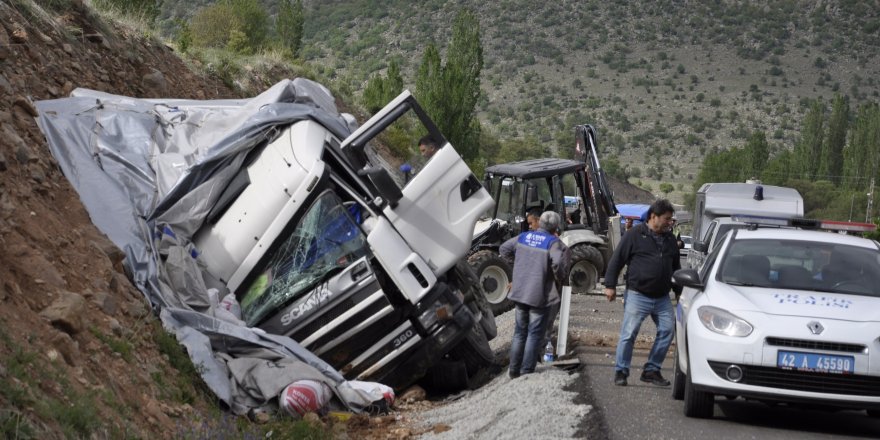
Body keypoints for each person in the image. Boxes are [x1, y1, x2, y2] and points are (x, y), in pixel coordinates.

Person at [603, 199, 682, 387]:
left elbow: (676, 268)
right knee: (629, 334)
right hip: (638, 295)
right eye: (667, 219)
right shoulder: (634, 235)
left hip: (662, 298)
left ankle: (651, 370)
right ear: (653, 217)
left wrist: (680, 293)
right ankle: (621, 371)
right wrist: (610, 285)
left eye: (671, 219)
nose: (670, 222)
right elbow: (617, 260)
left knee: (667, 330)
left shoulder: (670, 239)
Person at [500, 211, 571, 378]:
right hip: (538, 294)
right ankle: (526, 371)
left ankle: (514, 370)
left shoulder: (524, 237)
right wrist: (556, 278)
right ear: (555, 227)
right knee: (534, 333)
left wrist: (519, 265)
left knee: (519, 332)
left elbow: (503, 249)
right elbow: (559, 265)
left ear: (540, 223)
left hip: (519, 292)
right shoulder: (553, 243)